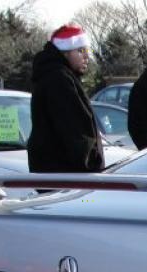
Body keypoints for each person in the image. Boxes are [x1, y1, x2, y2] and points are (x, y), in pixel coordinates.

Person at [27, 24, 105, 173]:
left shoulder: (54, 75)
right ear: (65, 52)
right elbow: (74, 129)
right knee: (88, 199)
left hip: (56, 172)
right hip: (66, 176)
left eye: (87, 50)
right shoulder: (59, 79)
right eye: (81, 50)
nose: (87, 56)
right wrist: (90, 164)